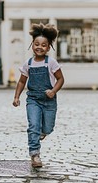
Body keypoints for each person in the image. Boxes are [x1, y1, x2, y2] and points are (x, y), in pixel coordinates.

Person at [12, 23, 64, 168]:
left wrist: (53, 91)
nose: (39, 47)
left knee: (48, 128)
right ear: (32, 45)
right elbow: (22, 82)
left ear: (48, 48)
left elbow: (61, 79)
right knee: (33, 125)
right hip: (33, 100)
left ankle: (43, 132)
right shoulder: (28, 64)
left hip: (49, 101)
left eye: (43, 45)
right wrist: (16, 97)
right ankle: (35, 154)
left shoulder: (51, 63)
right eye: (36, 44)